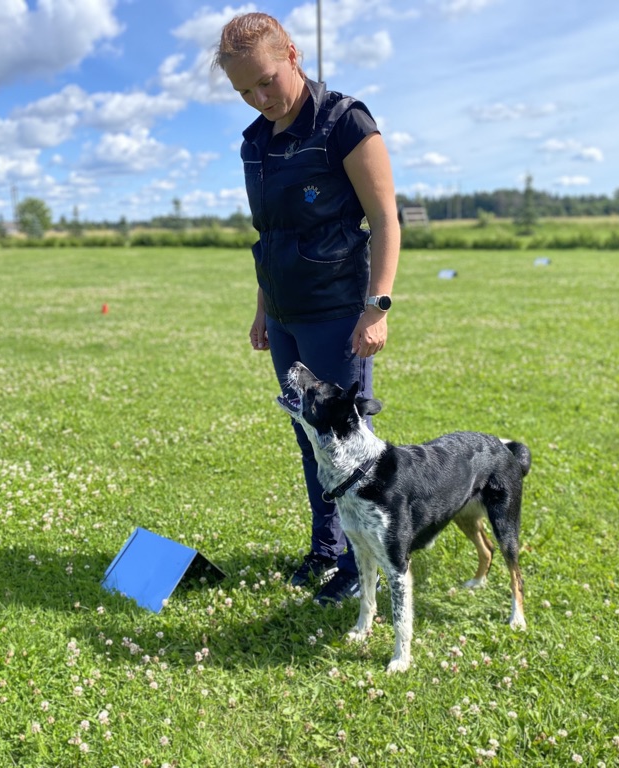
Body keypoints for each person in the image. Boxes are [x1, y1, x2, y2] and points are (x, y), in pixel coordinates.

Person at [214, 12, 401, 605]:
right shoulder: (254, 144)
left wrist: (377, 305)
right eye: (244, 91)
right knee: (311, 440)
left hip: (337, 312)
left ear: (291, 54)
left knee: (349, 442)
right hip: (288, 315)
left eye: (266, 81)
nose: (259, 98)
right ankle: (326, 547)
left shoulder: (345, 122)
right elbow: (269, 234)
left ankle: (358, 561)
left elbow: (385, 219)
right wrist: (263, 309)